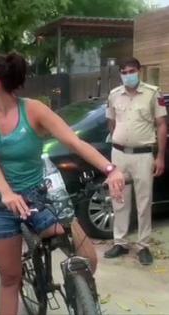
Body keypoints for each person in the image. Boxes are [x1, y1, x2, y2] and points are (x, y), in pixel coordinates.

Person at [0, 52, 125, 315]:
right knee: (10, 279)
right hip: (1, 202)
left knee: (88, 258)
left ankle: (83, 299)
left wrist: (110, 169)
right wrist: (7, 193)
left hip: (39, 195)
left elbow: (74, 142)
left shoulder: (33, 110)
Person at [105, 57, 167, 265]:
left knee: (144, 202)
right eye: (124, 71)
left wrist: (160, 157)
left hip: (143, 155)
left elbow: (161, 125)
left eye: (131, 71)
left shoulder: (152, 93)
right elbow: (111, 123)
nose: (127, 75)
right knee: (119, 199)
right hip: (119, 154)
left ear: (139, 71)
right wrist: (118, 143)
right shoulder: (114, 95)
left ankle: (143, 246)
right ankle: (120, 243)